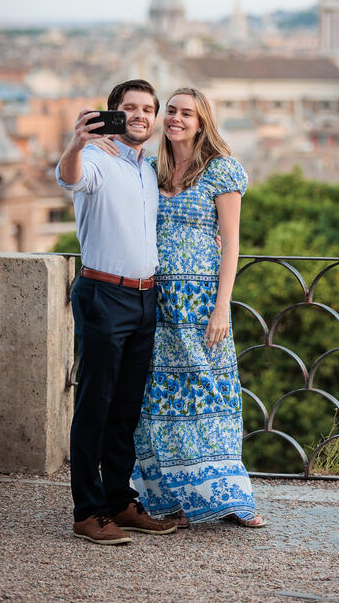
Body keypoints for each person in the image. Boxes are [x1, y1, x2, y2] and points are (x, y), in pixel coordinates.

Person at [100, 87, 265, 527]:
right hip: (154, 303)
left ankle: (229, 496)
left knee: (210, 395)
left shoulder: (221, 171)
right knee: (159, 402)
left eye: (185, 113)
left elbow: (231, 244)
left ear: (201, 122)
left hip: (201, 305)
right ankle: (166, 496)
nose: (174, 118)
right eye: (170, 111)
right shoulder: (152, 169)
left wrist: (222, 307)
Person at [55, 79, 178, 545]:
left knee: (126, 408)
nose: (142, 116)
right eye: (131, 108)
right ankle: (88, 512)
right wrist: (77, 142)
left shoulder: (146, 169)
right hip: (105, 295)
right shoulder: (95, 160)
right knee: (95, 405)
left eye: (149, 109)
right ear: (114, 114)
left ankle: (119, 501)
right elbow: (69, 177)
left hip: (146, 298)